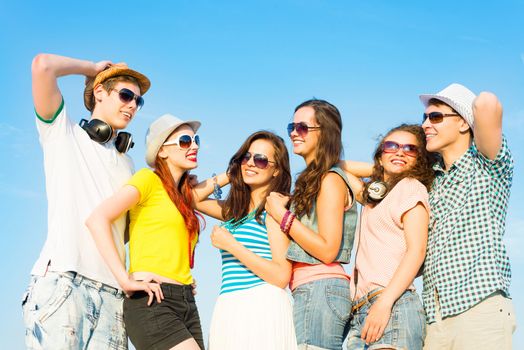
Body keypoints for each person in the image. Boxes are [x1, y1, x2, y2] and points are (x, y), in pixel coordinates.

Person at [22, 54, 150, 349]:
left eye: (138, 101)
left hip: (113, 294)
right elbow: (42, 66)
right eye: (126, 95)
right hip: (64, 282)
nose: (132, 105)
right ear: (100, 93)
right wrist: (92, 70)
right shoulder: (62, 133)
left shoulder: (127, 164)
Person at [87, 114, 205, 350]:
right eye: (184, 141)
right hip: (153, 300)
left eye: (196, 140)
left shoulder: (180, 198)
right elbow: (97, 219)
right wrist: (124, 280)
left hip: (186, 302)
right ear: (162, 151)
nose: (194, 146)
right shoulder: (147, 179)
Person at [419, 83, 516, 350]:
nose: (426, 124)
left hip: (478, 309)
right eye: (425, 117)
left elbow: (486, 103)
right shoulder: (432, 182)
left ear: (463, 123)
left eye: (436, 116)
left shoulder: (487, 165)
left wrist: (470, 110)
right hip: (434, 317)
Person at [265, 99, 357, 350]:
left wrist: (281, 216)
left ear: (324, 133)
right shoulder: (316, 180)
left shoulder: (329, 180)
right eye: (291, 127)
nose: (294, 133)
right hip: (316, 290)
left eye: (303, 127)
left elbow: (327, 249)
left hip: (320, 288)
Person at [192, 131, 297, 349]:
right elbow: (192, 197)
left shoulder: (274, 209)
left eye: (260, 160)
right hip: (229, 306)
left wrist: (232, 245)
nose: (251, 163)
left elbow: (280, 276)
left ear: (276, 169)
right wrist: (233, 173)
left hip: (261, 305)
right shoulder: (235, 211)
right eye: (246, 157)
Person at [342, 124, 434, 350]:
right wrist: (380, 168)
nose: (400, 151)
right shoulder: (374, 197)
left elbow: (417, 251)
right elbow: (338, 165)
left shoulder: (411, 188)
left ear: (419, 159)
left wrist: (384, 304)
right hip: (360, 311)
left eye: (410, 149)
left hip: (392, 305)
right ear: (379, 155)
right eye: (391, 146)